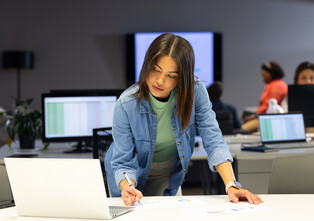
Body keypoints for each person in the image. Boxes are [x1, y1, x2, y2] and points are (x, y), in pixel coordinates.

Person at [104, 33, 263, 206]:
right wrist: (128, 188)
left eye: (171, 75)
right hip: (130, 174)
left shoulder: (194, 92)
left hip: (169, 173)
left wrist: (232, 185)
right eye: (155, 70)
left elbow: (214, 140)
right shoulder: (126, 103)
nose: (159, 81)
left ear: (182, 78)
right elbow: (123, 162)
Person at [242, 61, 288, 132]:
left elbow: (269, 108)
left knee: (242, 130)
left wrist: (253, 117)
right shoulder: (272, 85)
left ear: (272, 74)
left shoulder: (278, 86)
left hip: (268, 119)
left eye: (265, 75)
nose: (263, 78)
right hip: (262, 117)